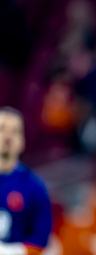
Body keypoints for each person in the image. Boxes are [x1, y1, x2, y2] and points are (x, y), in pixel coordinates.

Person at [0, 107, 52, 255]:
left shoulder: (34, 187)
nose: (7, 137)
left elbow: (41, 240)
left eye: (14, 131)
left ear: (22, 141)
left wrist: (10, 252)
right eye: (2, 129)